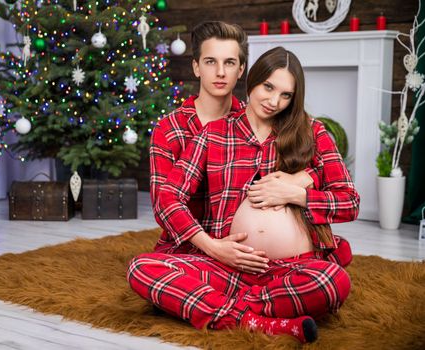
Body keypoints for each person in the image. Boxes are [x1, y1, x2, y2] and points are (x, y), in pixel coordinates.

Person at [128, 47, 360, 343]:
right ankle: (257, 319)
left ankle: (227, 310)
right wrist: (212, 247)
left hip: (292, 268)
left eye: (286, 95)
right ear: (252, 79)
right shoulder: (213, 134)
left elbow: (349, 202)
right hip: (227, 266)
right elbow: (167, 199)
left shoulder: (313, 132)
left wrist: (295, 192)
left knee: (332, 282)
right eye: (268, 87)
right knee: (142, 268)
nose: (274, 101)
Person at [151, 21, 320, 259]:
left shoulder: (260, 117)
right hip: (190, 242)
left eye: (229, 63)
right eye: (210, 62)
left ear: (241, 70)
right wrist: (212, 246)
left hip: (248, 242)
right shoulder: (169, 129)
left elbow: (289, 168)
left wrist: (306, 177)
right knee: (145, 269)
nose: (220, 72)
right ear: (196, 67)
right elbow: (164, 203)